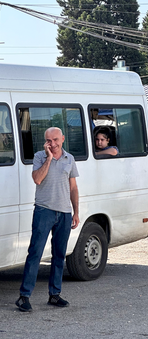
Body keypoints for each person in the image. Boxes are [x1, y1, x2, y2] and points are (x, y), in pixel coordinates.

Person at [15, 127, 79, 312]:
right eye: (49, 140)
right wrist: (49, 158)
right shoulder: (39, 157)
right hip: (44, 211)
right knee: (35, 253)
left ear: (63, 139)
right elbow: (37, 179)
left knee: (59, 255)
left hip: (64, 213)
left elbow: (73, 188)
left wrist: (76, 212)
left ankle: (54, 294)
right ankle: (24, 296)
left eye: (56, 140)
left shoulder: (70, 159)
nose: (53, 143)